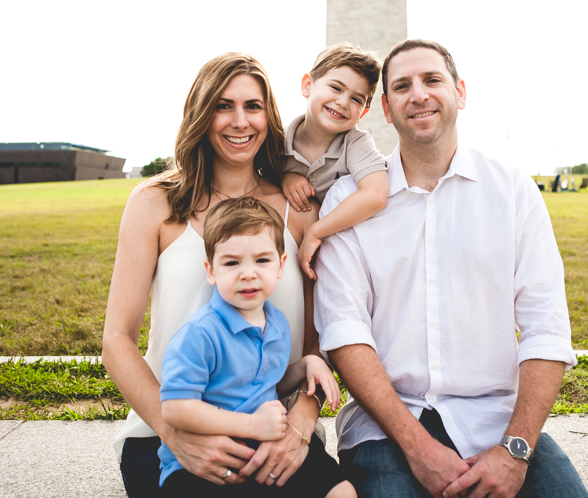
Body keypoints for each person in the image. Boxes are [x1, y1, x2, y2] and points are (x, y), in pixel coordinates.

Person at [314, 39, 588, 498]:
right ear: (385, 108)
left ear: (461, 92)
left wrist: (516, 448)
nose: (418, 94)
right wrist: (417, 446)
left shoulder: (513, 191)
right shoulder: (348, 202)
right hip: (386, 428)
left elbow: (546, 327)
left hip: (497, 422)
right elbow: (345, 332)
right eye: (401, 86)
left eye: (432, 80)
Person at [102, 53, 334, 496]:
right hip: (165, 431)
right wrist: (177, 436)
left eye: (253, 106)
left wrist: (303, 420)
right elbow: (116, 340)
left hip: (274, 431)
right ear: (200, 114)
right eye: (223, 106)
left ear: (269, 116)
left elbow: (315, 344)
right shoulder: (154, 203)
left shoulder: (300, 213)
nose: (239, 121)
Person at [158, 196, 356, 497]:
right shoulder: (200, 335)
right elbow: (175, 409)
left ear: (281, 265)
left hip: (263, 445)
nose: (248, 273)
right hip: (206, 461)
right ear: (211, 270)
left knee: (342, 490)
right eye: (232, 262)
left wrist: (304, 366)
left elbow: (272, 382)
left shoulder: (276, 324)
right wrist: (252, 425)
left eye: (262, 260)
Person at [280, 43, 389, 278]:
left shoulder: (356, 142)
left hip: (338, 260)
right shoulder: (276, 141)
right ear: (307, 85)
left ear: (363, 113)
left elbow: (376, 194)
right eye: (336, 88)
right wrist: (283, 177)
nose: (342, 102)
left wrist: (316, 231)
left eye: (356, 99)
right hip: (281, 257)